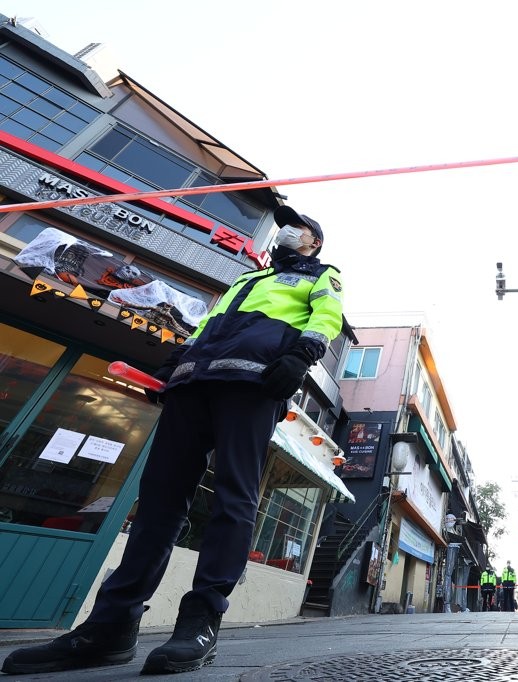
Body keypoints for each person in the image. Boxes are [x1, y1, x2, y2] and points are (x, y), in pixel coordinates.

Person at [2, 206, 343, 676]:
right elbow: (208, 325)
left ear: (313, 242)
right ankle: (110, 626)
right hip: (193, 382)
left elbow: (327, 315)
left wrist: (305, 351)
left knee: (233, 497)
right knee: (158, 502)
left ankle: (200, 623)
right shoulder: (246, 281)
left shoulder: (321, 276)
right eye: (283, 223)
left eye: (297, 226)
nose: (286, 231)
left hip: (254, 385)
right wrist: (175, 361)